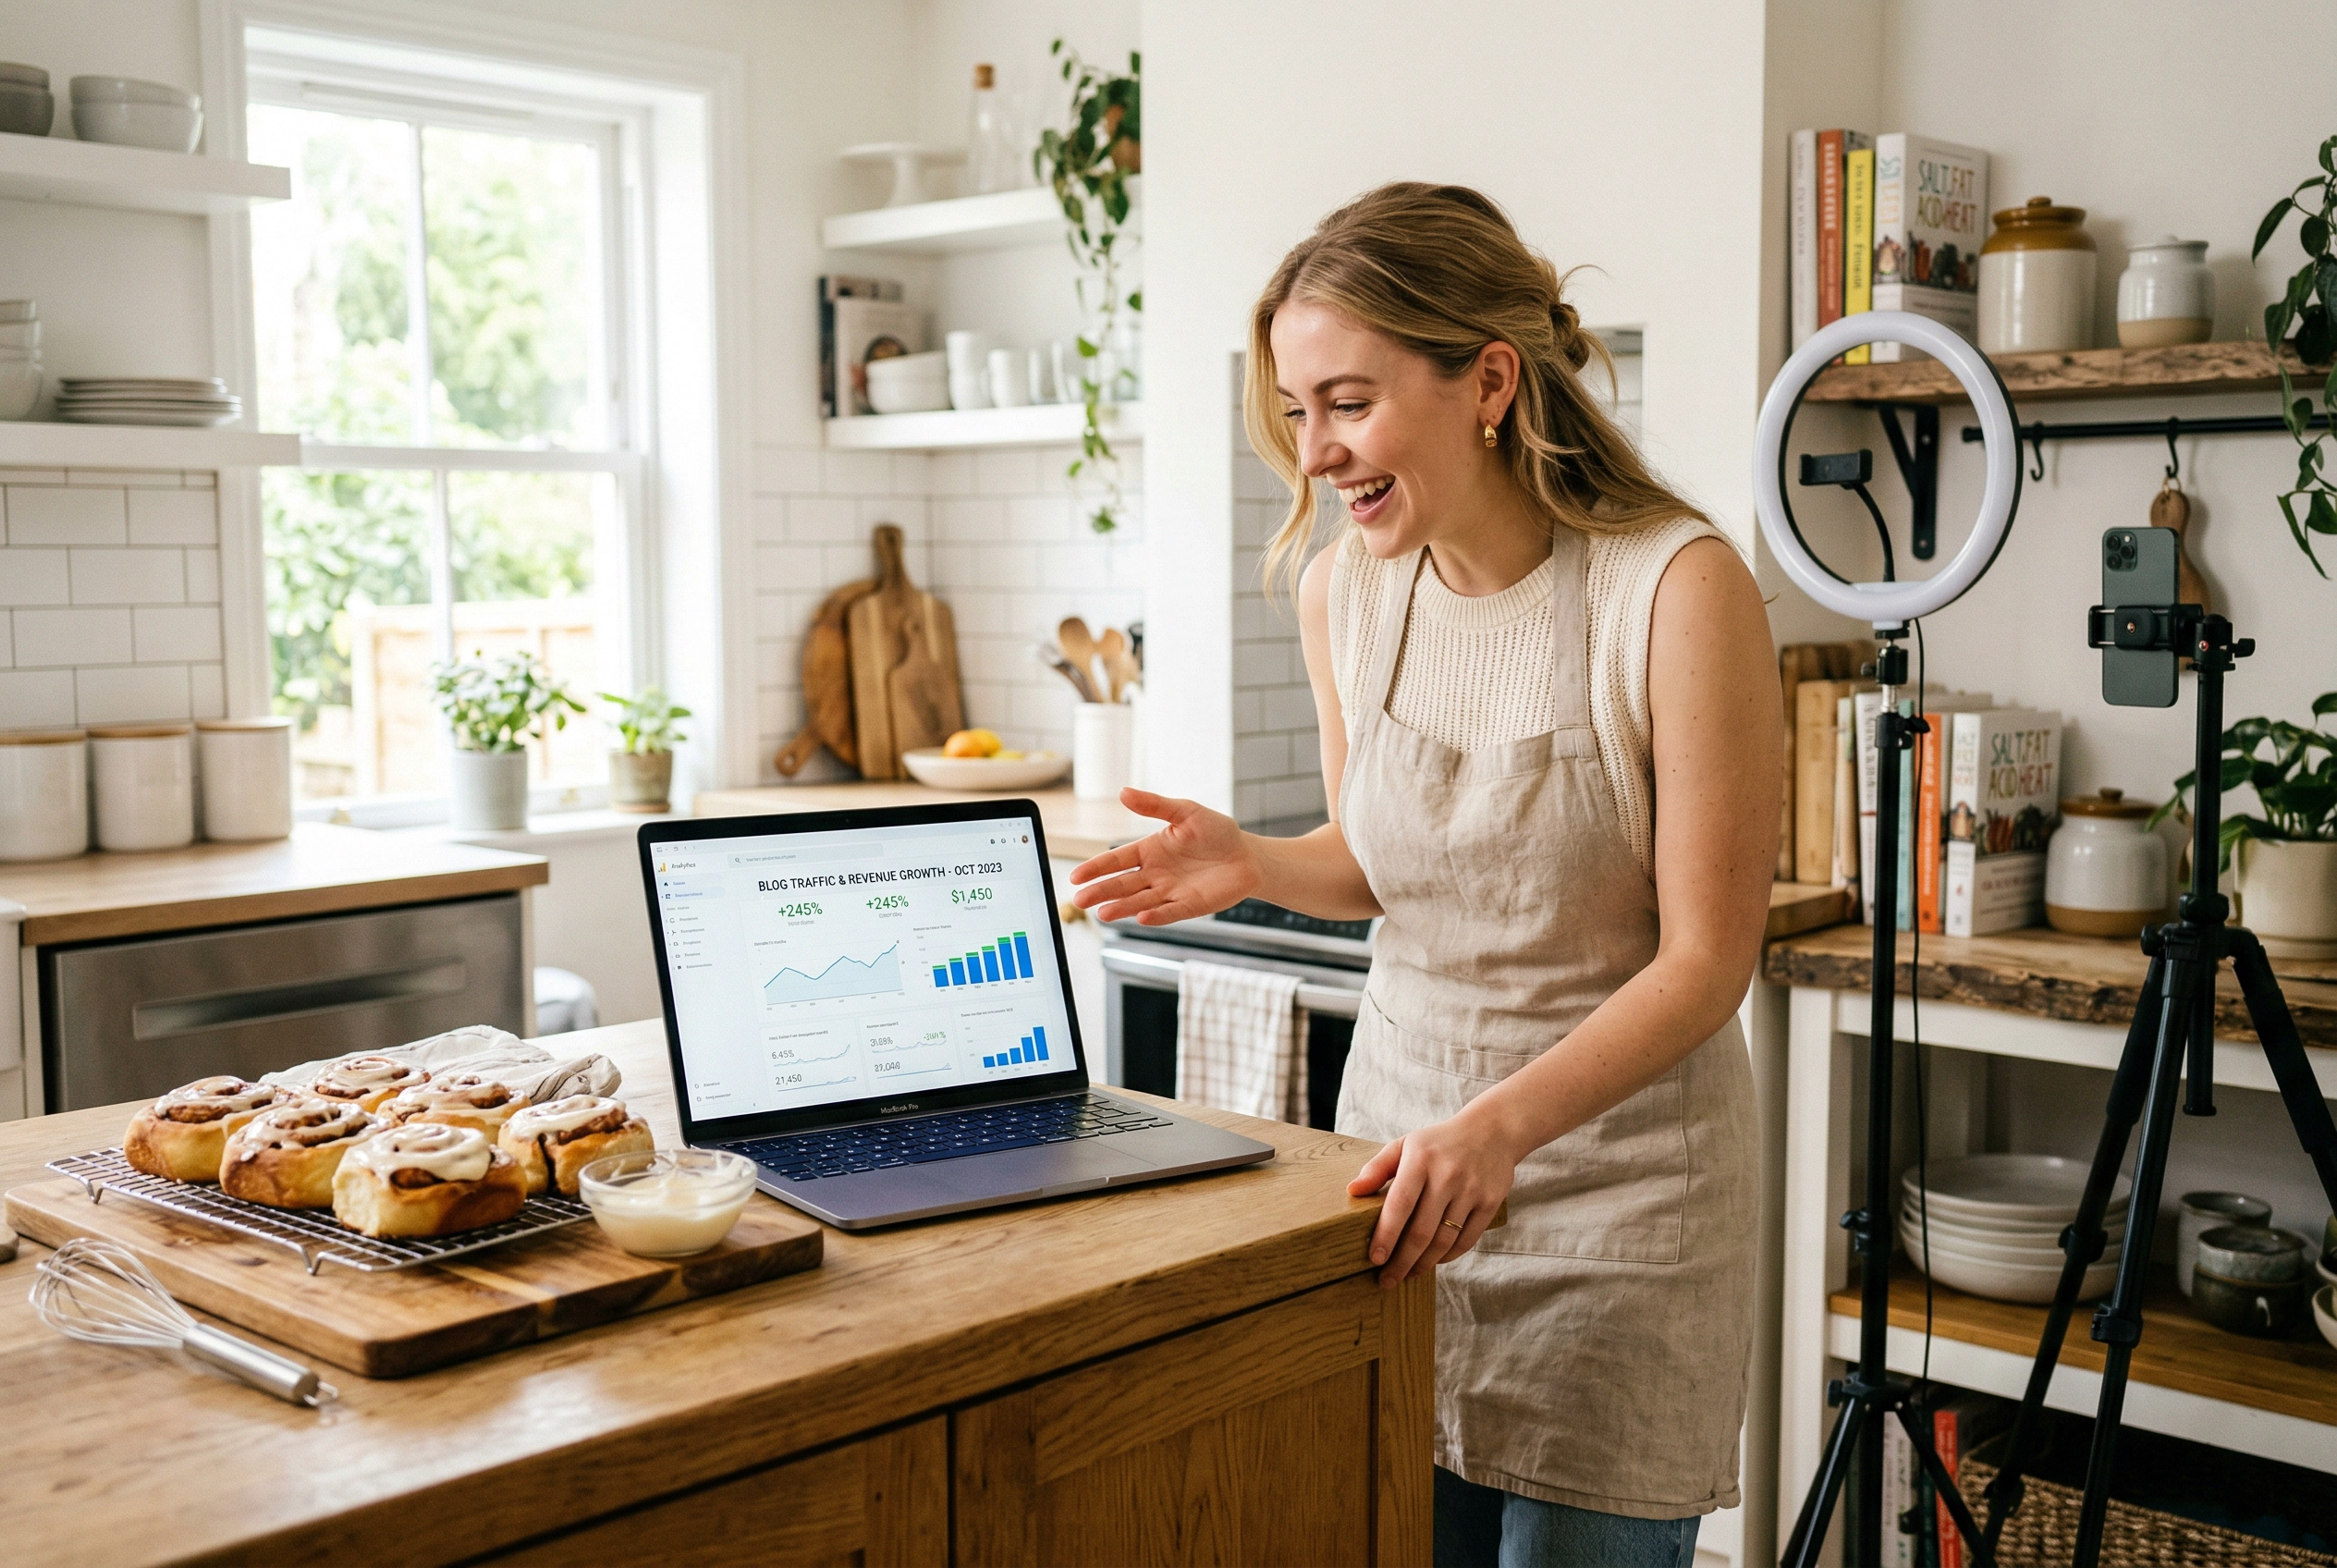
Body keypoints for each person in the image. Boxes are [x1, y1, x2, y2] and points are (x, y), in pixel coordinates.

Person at [1070, 182, 1779, 1567]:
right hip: (1401, 1186)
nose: (1317, 451)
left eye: (1348, 401)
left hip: (1616, 1212)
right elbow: (1391, 867)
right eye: (1295, 411)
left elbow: (1708, 961)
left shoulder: (1676, 592)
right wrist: (1257, 863)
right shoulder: (1350, 591)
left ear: (1490, 383)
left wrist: (1502, 1130)